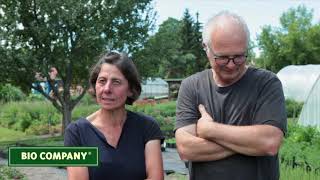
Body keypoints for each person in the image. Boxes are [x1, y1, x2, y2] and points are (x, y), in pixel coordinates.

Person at [175, 11, 287, 180]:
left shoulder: (266, 83)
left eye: (239, 56)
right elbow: (186, 149)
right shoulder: (192, 86)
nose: (231, 65)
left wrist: (209, 130)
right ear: (206, 48)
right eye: (223, 58)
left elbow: (269, 143)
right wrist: (249, 143)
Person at [64, 51, 164, 180]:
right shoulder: (77, 133)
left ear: (130, 89)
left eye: (116, 82)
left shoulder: (147, 127)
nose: (107, 89)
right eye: (102, 81)